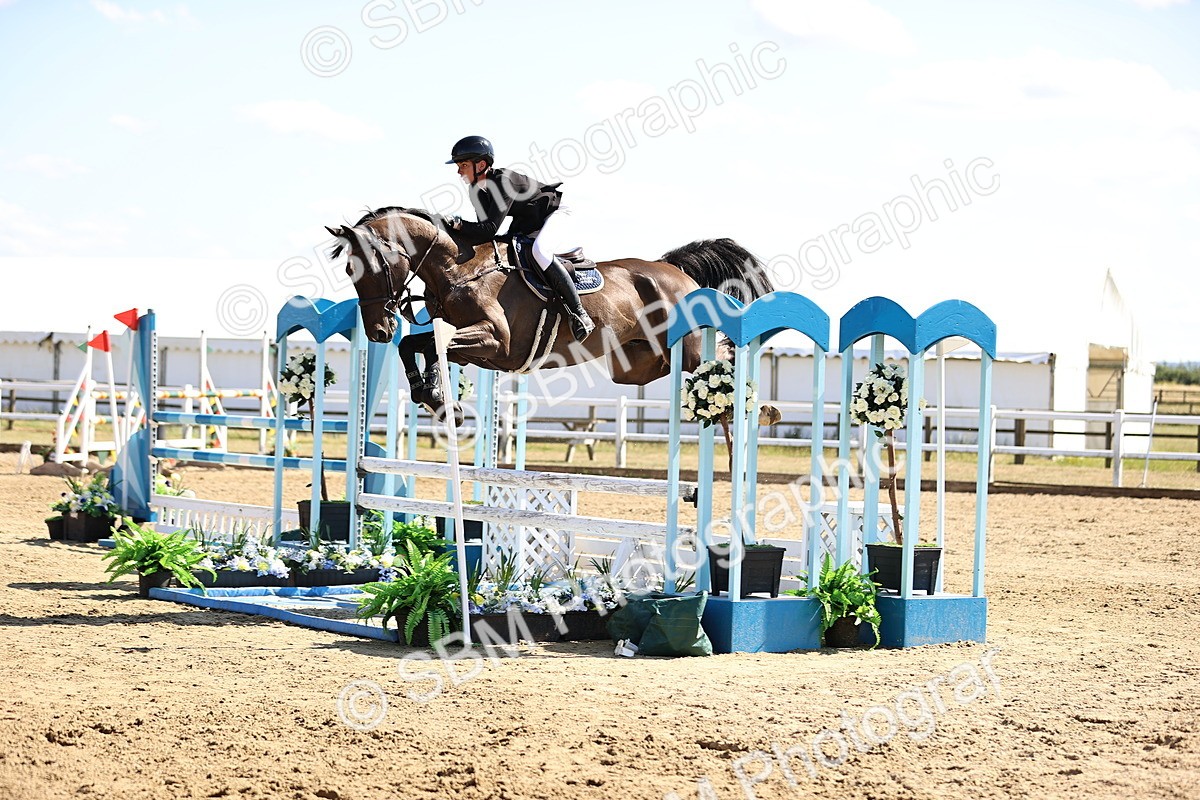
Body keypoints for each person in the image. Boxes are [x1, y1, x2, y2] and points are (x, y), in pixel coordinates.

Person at [443, 135, 595, 342]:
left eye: (463, 165)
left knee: (539, 251)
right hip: (529, 219)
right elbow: (483, 234)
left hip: (556, 210)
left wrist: (459, 224)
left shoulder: (502, 182)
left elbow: (488, 228)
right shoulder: (475, 190)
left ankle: (579, 313)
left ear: (480, 164)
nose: (459, 171)